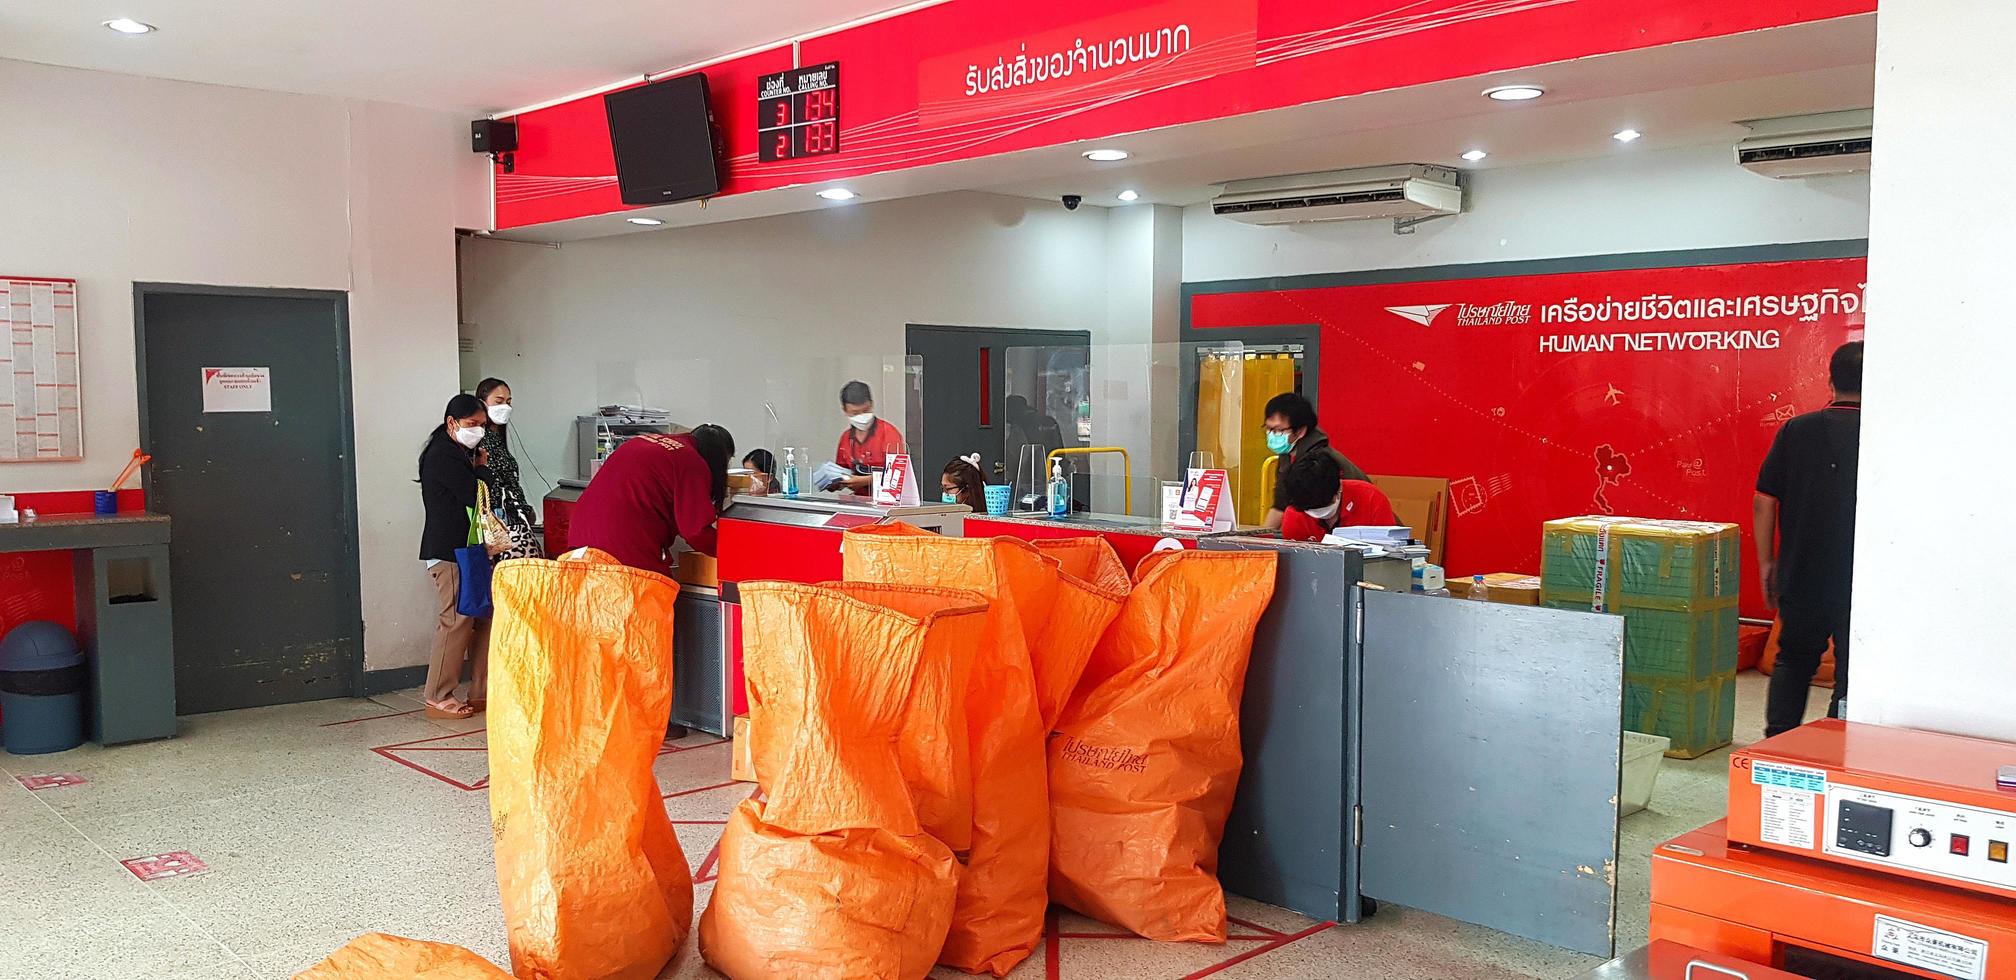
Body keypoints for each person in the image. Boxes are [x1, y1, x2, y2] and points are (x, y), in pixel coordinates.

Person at [1755, 341, 1862, 738]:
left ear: (1830, 379)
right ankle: (1839, 745)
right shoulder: (1882, 433)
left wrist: (1768, 564)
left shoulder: (1797, 430)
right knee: (1853, 670)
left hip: (1801, 570)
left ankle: (1778, 742)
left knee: (1794, 660)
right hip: (1862, 580)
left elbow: (1764, 501)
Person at [566, 424, 735, 576]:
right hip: (623, 544)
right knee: (653, 597)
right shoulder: (690, 461)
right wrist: (734, 552)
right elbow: (695, 531)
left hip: (581, 540)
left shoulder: (641, 441)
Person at [417, 393, 494, 720]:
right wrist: (483, 471)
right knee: (456, 620)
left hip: (468, 548)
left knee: (482, 616)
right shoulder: (442, 455)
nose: (478, 431)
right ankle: (437, 695)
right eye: (472, 424)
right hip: (448, 551)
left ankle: (480, 689)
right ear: (452, 423)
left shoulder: (460, 452)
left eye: (482, 425)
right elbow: (473, 495)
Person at [1262, 392, 1369, 529]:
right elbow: (1280, 504)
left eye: (1278, 430)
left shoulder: (1318, 460)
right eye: (1268, 429)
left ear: (1300, 431)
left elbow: (1288, 507)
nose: (1271, 435)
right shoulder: (1287, 455)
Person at [1277, 453, 1399, 542]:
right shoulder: (1295, 512)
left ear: (1338, 489)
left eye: (1323, 506)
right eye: (1310, 510)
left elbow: (1392, 550)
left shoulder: (1370, 498)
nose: (1317, 512)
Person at [474, 378, 534, 526]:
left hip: (512, 515)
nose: (505, 407)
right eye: (498, 401)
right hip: (497, 518)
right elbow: (494, 483)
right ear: (482, 403)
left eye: (508, 402)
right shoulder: (480, 439)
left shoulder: (497, 438)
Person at [832, 381, 905, 492]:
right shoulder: (845, 439)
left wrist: (865, 481)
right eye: (855, 413)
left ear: (871, 404)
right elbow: (840, 473)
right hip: (857, 503)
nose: (861, 416)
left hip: (888, 500)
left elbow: (897, 473)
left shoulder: (889, 433)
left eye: (865, 411)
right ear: (845, 410)